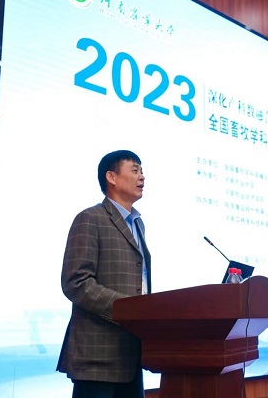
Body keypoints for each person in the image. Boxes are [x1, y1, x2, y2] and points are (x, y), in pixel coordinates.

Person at [57, 150, 150, 398]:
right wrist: (128, 309)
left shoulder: (138, 225)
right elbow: (76, 282)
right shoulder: (90, 218)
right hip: (97, 355)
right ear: (112, 177)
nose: (142, 176)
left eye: (142, 171)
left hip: (131, 353)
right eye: (135, 170)